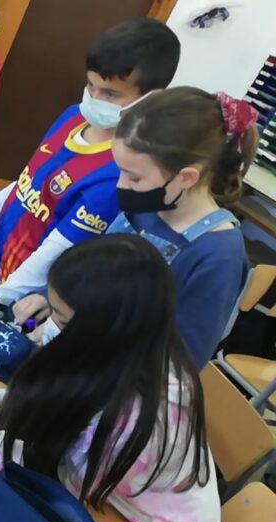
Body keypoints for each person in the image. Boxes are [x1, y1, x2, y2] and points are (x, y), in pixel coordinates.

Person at [0, 234, 218, 522]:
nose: (47, 328)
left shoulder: (142, 410)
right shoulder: (116, 351)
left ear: (103, 328)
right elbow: (60, 403)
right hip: (108, 499)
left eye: (61, 319)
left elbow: (64, 475)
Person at [0, 18, 180, 318]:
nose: (95, 100)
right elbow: (32, 177)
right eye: (91, 86)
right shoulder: (72, 117)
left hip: (13, 303)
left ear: (151, 99)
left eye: (110, 94)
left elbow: (56, 251)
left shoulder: (119, 172)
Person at [13, 88, 255, 370]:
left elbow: (178, 366)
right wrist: (50, 300)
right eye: (121, 171)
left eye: (134, 178)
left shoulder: (219, 255)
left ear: (187, 177)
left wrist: (83, 344)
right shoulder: (146, 202)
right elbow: (90, 277)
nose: (121, 186)